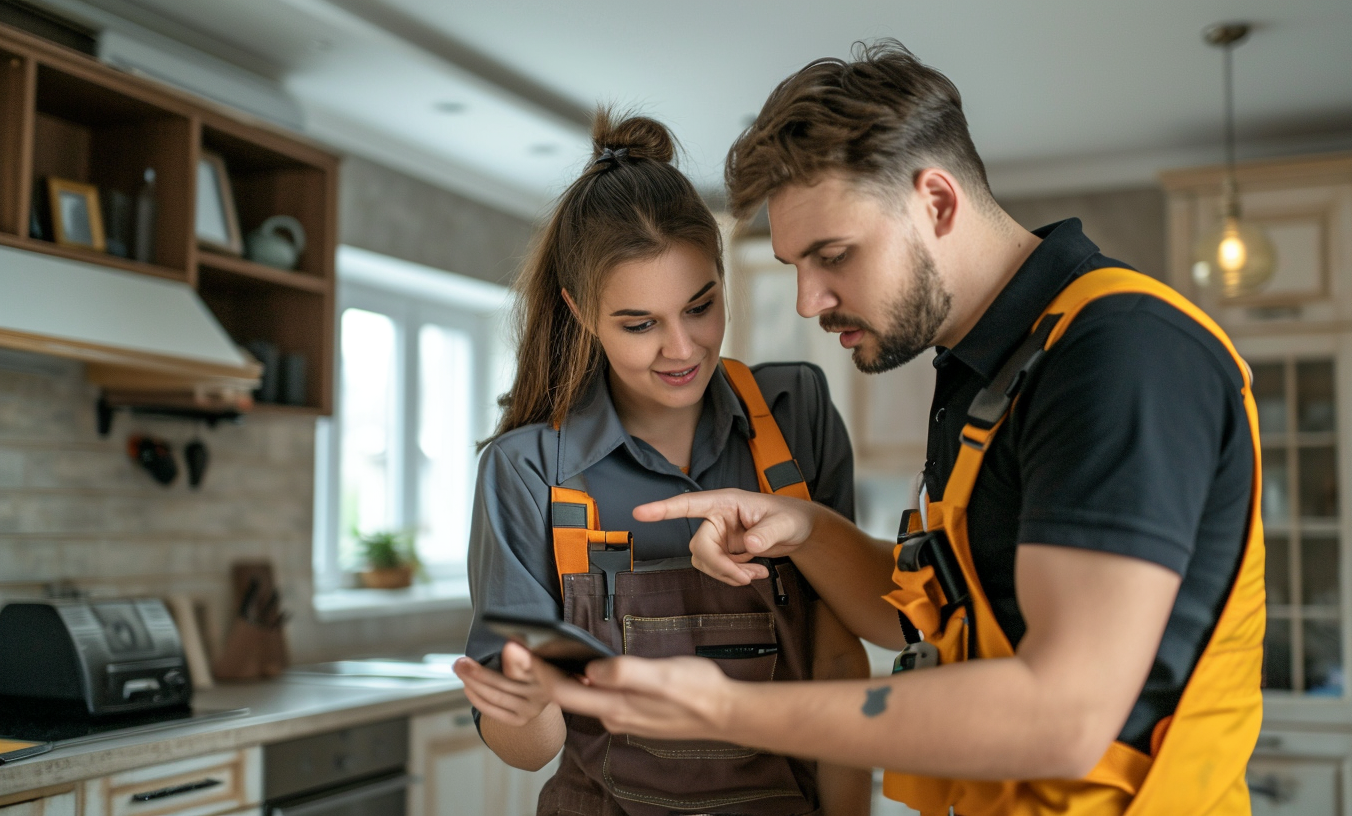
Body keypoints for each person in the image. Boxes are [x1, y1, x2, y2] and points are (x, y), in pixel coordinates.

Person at [532, 42, 1267, 816]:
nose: (809, 302)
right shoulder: (986, 371)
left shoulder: (1119, 355)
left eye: (834, 255)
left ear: (938, 202)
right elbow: (924, 614)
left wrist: (724, 709)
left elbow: (1064, 717)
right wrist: (804, 528)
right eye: (793, 266)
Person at [452, 110, 871, 816]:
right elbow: (532, 747)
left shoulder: (795, 414)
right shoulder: (527, 471)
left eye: (701, 306)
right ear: (581, 312)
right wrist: (522, 704)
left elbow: (836, 664)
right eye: (639, 324)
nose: (681, 348)